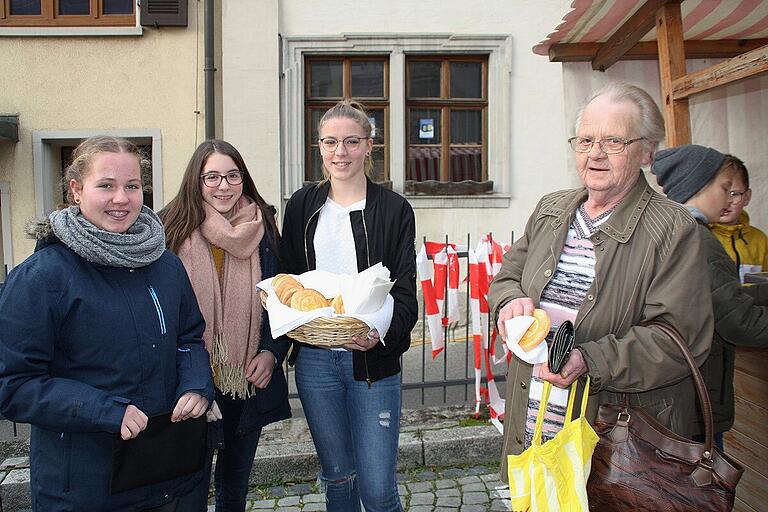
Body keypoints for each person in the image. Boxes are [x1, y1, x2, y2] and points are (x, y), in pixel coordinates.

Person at [488, 82, 713, 479]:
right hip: (535, 424)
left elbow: (680, 339)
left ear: (647, 150)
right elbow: (508, 275)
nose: (595, 153)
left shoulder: (673, 228)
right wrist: (510, 301)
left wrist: (588, 359)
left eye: (613, 141)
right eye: (586, 139)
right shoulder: (552, 209)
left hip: (614, 443)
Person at [0, 135, 214, 511]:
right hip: (85, 485)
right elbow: (13, 385)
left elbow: (189, 337)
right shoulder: (42, 277)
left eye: (132, 186)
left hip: (171, 477)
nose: (121, 198)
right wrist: (105, 410)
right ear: (76, 190)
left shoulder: (165, 265)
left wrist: (196, 385)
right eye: (106, 186)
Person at [281, 100, 417, 512]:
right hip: (316, 361)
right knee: (338, 478)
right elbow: (287, 280)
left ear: (368, 146)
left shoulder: (394, 210)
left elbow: (406, 294)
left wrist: (381, 337)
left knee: (377, 490)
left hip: (372, 366)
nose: (340, 152)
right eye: (330, 142)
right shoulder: (303, 205)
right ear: (319, 147)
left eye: (351, 142)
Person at [161, 139, 291, 512]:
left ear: (243, 178)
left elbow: (279, 296)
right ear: (196, 181)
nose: (224, 185)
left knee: (234, 490)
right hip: (189, 381)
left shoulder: (261, 224)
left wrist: (271, 352)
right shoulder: (170, 227)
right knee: (191, 489)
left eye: (232, 175)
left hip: (244, 381)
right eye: (212, 176)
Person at [651, 144, 768, 450]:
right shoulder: (699, 240)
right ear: (698, 187)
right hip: (694, 398)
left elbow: (712, 294)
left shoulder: (666, 231)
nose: (729, 197)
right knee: (700, 490)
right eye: (724, 187)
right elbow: (744, 324)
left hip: (669, 393)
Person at [708, 155, 768, 284]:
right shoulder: (701, 236)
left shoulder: (760, 240)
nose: (727, 201)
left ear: (747, 197)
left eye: (734, 194)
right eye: (721, 193)